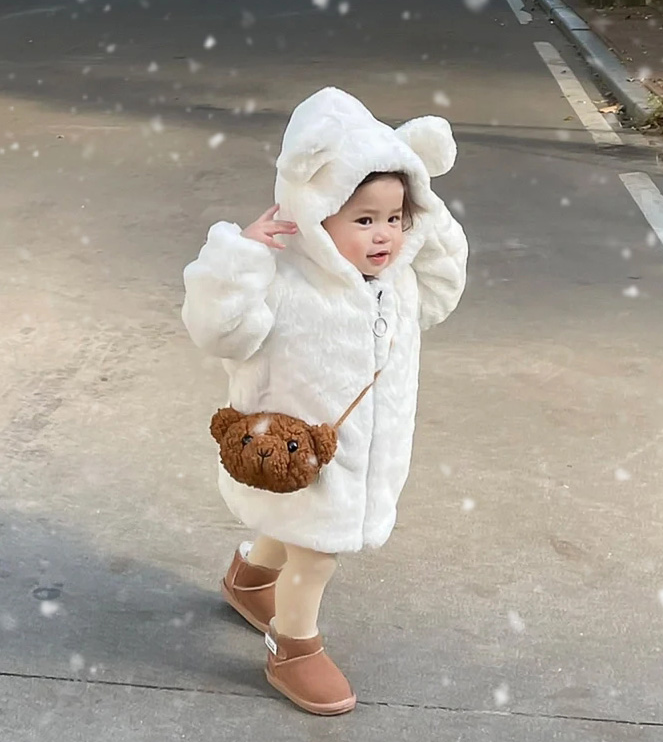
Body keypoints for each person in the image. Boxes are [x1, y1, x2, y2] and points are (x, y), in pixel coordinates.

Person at [181, 87, 468, 716]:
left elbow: (445, 293)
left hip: (368, 450)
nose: (384, 235)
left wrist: (434, 217)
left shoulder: (397, 283)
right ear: (316, 212)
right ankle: (294, 646)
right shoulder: (280, 279)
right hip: (288, 444)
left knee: (298, 530)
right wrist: (243, 255)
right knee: (317, 550)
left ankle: (250, 578)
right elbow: (216, 328)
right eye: (363, 220)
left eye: (396, 217)